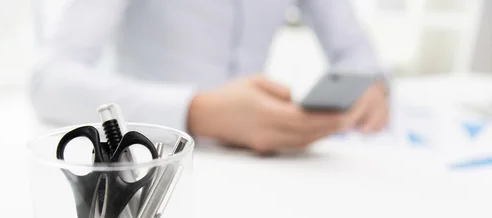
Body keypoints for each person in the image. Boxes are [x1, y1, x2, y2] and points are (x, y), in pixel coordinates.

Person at [29, 0, 389, 154]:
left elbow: (358, 55)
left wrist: (370, 88)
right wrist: (198, 112)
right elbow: (49, 80)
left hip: (268, 162)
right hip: (151, 160)